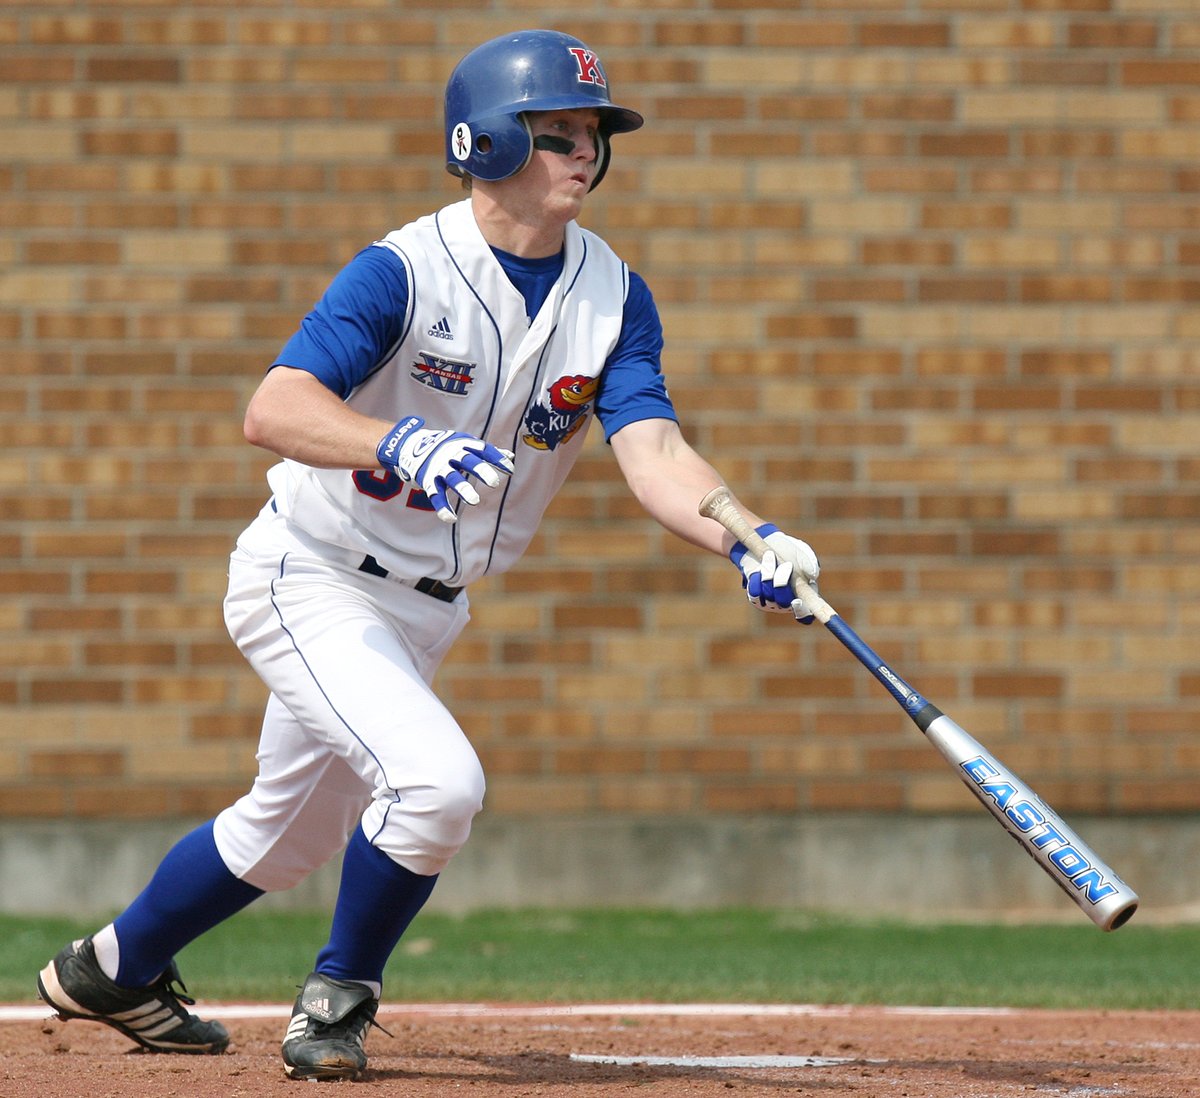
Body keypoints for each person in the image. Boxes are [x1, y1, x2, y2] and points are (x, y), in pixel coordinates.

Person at [36, 29, 820, 1081]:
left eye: (593, 135)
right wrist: (395, 441)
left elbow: (655, 451)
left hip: (430, 605)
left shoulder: (613, 294)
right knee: (438, 787)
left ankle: (110, 971)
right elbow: (274, 408)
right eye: (558, 133)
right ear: (488, 141)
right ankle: (339, 998)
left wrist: (747, 535)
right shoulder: (402, 271)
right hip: (312, 574)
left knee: (284, 839)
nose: (585, 152)